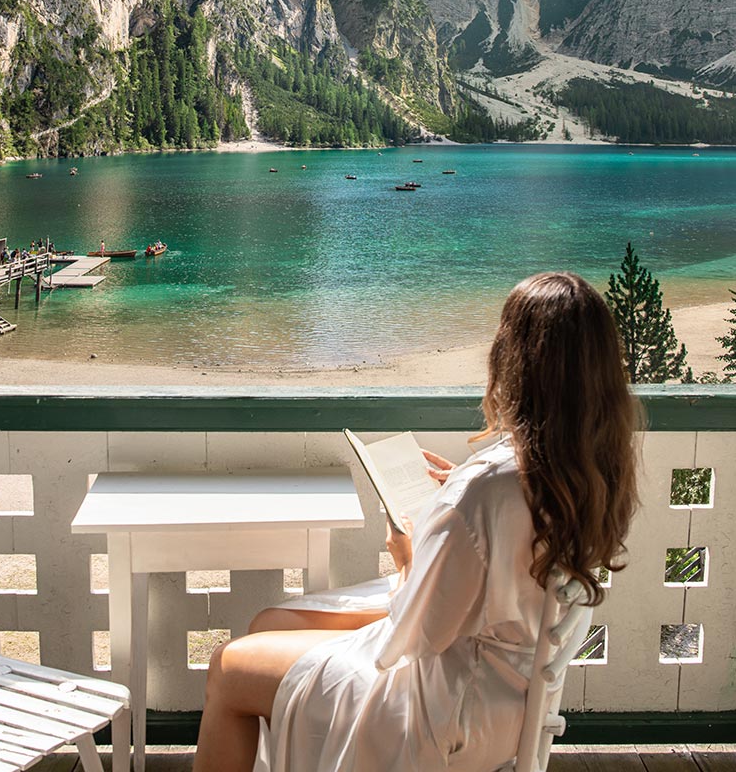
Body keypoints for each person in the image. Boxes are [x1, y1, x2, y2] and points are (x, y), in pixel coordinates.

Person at [193, 272, 640, 772]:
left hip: (443, 710)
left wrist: (407, 557)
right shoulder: (591, 468)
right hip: (510, 700)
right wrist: (461, 499)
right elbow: (509, 541)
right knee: (269, 626)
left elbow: (416, 632)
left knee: (228, 668)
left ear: (514, 363)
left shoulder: (489, 488)